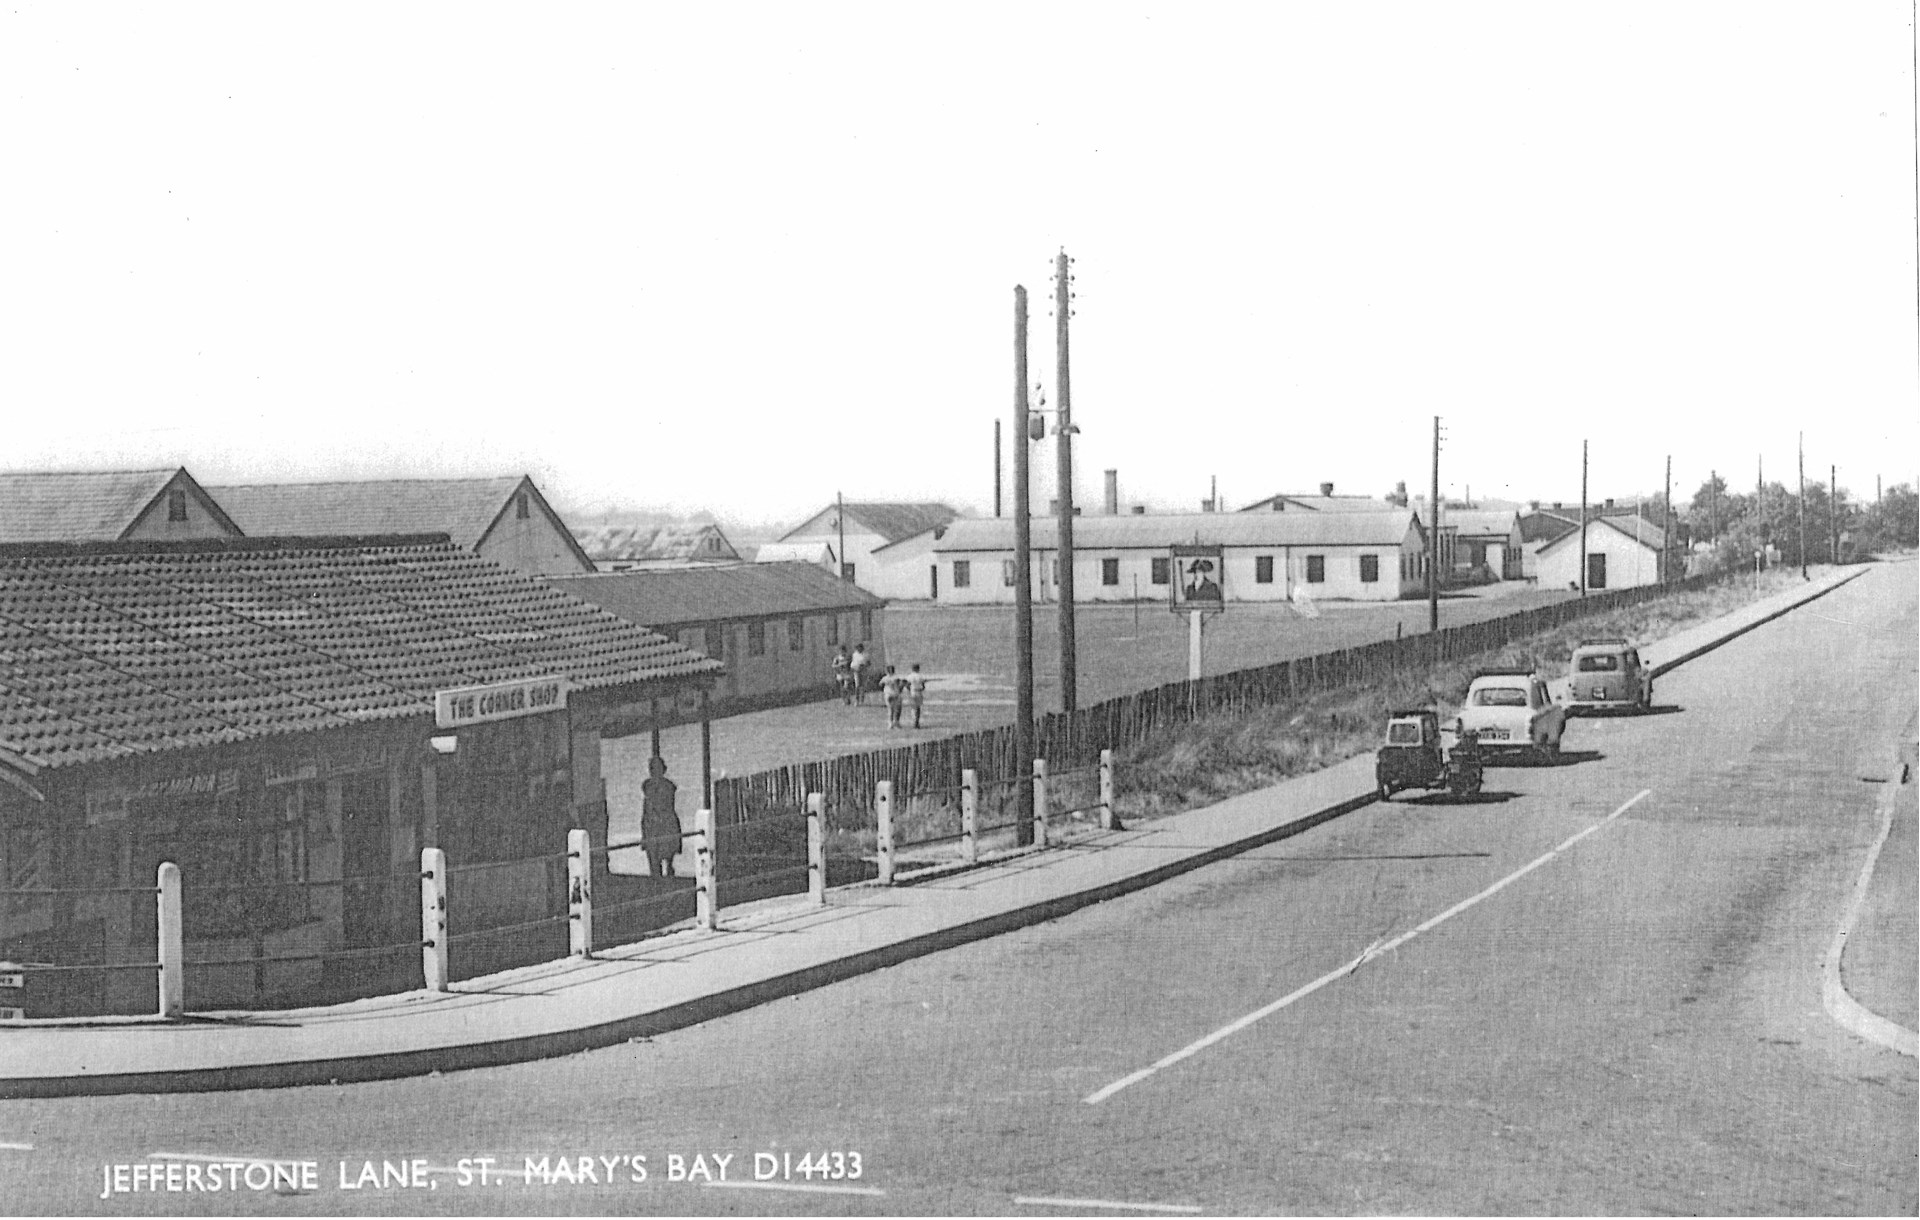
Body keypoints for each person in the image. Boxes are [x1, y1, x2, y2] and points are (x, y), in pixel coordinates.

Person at [640, 756, 681, 879]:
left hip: (665, 821)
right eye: (652, 768)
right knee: (653, 856)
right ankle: (656, 878)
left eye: (657, 768)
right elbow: (647, 806)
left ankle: (668, 872)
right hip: (651, 822)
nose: (654, 771)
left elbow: (668, 804)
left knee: (667, 853)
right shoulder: (648, 786)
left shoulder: (668, 786)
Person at [879, 664, 909, 729]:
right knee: (898, 709)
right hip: (896, 694)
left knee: (890, 710)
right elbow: (902, 684)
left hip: (888, 694)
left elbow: (880, 684)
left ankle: (890, 723)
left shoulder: (885, 678)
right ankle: (896, 722)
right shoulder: (897, 677)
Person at [906, 663, 933, 729]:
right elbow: (923, 686)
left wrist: (909, 690)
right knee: (918, 708)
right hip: (919, 692)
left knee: (913, 708)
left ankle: (914, 721)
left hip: (912, 692)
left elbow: (907, 685)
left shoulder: (909, 676)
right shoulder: (920, 676)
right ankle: (917, 722)